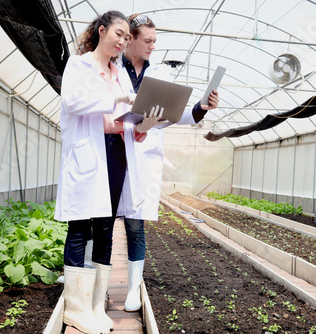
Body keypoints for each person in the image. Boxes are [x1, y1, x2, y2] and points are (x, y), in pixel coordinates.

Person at [54, 10, 162, 334]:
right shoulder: (79, 64)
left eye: (127, 37)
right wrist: (116, 96)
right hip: (90, 152)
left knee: (104, 229)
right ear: (101, 31)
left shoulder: (120, 73)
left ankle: (95, 305)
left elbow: (127, 119)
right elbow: (73, 101)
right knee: (79, 227)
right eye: (119, 34)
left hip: (116, 155)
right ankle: (76, 309)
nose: (123, 41)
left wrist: (146, 124)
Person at [119, 13, 220, 312]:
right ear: (130, 39)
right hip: (114, 150)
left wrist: (201, 108)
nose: (152, 46)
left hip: (143, 155)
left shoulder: (161, 74)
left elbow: (177, 115)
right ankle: (85, 278)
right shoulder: (111, 67)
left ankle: (132, 289)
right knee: (97, 219)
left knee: (136, 226)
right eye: (147, 41)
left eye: (155, 41)